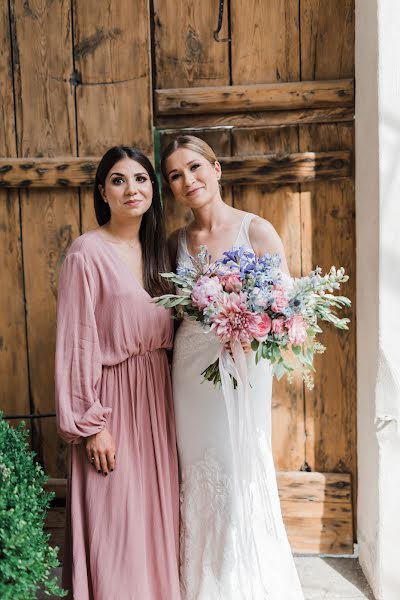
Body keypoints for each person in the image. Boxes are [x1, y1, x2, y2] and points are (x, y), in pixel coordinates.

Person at [161, 135, 304, 600]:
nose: (188, 181)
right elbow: (166, 312)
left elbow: (286, 313)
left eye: (195, 168)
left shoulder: (256, 231)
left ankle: (241, 581)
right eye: (176, 176)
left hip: (240, 371)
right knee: (199, 473)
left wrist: (248, 328)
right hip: (189, 374)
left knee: (237, 465)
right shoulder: (173, 244)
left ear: (216, 169)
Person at [55, 146, 180, 600]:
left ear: (154, 190)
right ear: (103, 192)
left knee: (153, 521)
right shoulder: (85, 254)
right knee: (117, 526)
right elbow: (75, 345)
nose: (133, 189)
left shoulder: (161, 255)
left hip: (157, 402)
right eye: (119, 180)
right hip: (112, 404)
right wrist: (92, 426)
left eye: (142, 179)